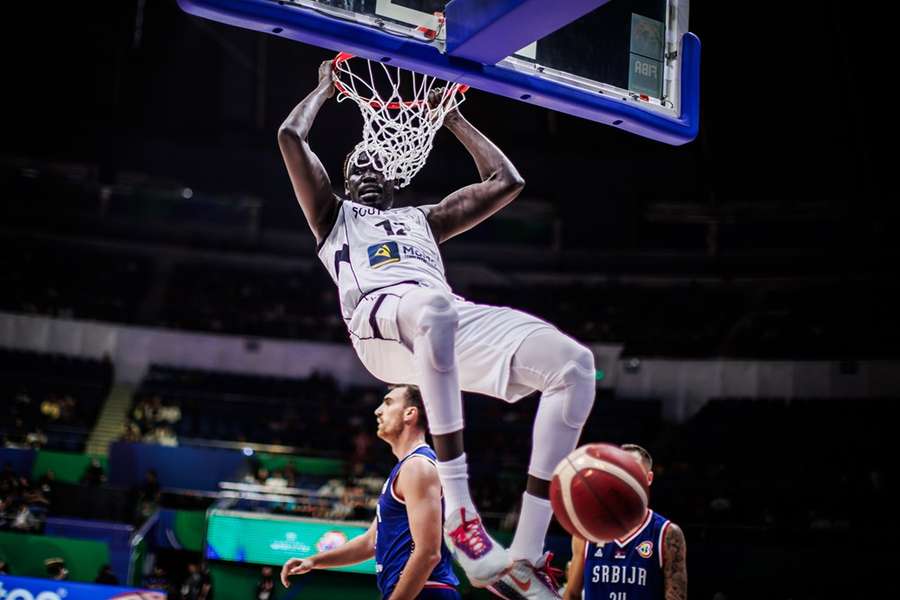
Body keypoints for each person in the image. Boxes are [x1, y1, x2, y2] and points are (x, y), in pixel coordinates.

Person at [278, 59, 597, 600]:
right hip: (378, 326)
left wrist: (450, 117)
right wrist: (322, 90)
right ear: (345, 178)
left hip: (442, 321)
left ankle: (523, 553)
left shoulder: (423, 220)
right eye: (357, 164)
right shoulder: (333, 216)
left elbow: (507, 181)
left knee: (575, 365)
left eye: (376, 163)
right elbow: (289, 136)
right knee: (435, 310)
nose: (367, 168)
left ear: (397, 173)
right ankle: (461, 514)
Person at [280, 385, 460, 599]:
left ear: (410, 413)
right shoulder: (405, 468)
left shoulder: (417, 466)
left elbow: (428, 553)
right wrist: (314, 561)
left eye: (388, 402)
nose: (378, 410)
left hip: (426, 591)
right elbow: (369, 542)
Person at [563, 445, 687, 600]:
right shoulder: (587, 531)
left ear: (649, 478)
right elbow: (572, 594)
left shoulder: (667, 533)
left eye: (634, 472)